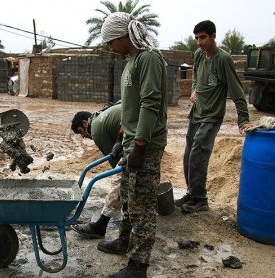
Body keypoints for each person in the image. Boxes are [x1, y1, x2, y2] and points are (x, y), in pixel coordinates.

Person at [99, 12, 168, 278]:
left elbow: (150, 104)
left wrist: (139, 147)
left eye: (110, 42)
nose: (109, 48)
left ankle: (138, 266)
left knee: (142, 207)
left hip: (146, 144)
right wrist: (119, 138)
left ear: (122, 35)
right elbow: (128, 106)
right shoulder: (131, 62)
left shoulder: (149, 59)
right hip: (130, 141)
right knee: (129, 199)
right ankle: (124, 242)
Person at [176, 20, 255, 213]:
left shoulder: (224, 59)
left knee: (198, 155)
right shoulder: (199, 55)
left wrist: (243, 119)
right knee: (188, 156)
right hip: (196, 114)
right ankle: (191, 192)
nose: (199, 42)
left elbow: (237, 90)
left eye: (203, 37)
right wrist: (194, 90)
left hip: (211, 116)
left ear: (213, 36)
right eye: (196, 38)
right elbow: (196, 76)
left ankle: (201, 200)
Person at [70, 103, 123, 239]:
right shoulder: (101, 117)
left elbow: (115, 162)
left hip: (136, 131)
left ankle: (101, 225)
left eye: (81, 131)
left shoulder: (97, 129)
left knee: (119, 178)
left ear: (85, 122)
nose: (83, 136)